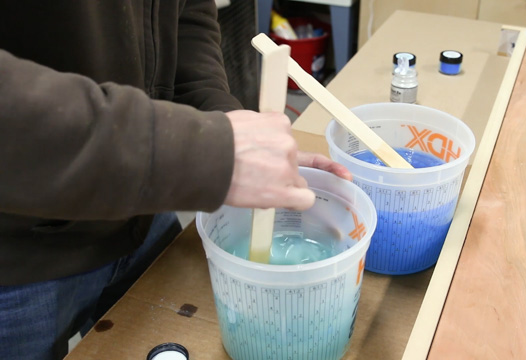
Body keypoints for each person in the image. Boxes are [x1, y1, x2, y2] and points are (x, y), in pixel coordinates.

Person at [0, 1, 351, 359]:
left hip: (145, 212)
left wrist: (225, 125)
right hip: (18, 255)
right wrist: (198, 149)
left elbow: (186, 16)